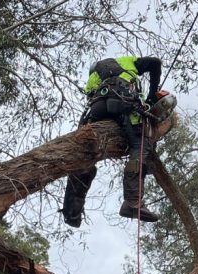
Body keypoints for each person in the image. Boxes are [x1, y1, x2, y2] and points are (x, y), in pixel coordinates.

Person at [62, 54, 173, 227]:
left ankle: (72, 214)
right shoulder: (126, 61)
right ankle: (132, 201)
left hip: (97, 109)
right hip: (123, 100)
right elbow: (155, 63)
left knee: (85, 154)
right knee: (140, 145)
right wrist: (152, 95)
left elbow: (90, 98)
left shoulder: (93, 76)